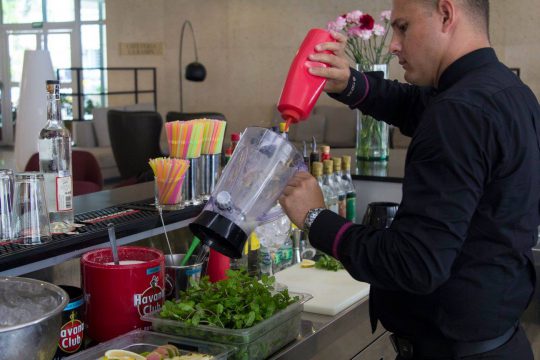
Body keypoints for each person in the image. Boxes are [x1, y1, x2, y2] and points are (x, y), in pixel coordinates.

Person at [279, 0, 540, 359]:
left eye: (403, 27)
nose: (393, 45)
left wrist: (315, 219)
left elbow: (414, 264)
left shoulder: (459, 112)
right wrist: (349, 82)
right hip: (501, 340)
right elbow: (417, 105)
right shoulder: (507, 91)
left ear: (446, 14)